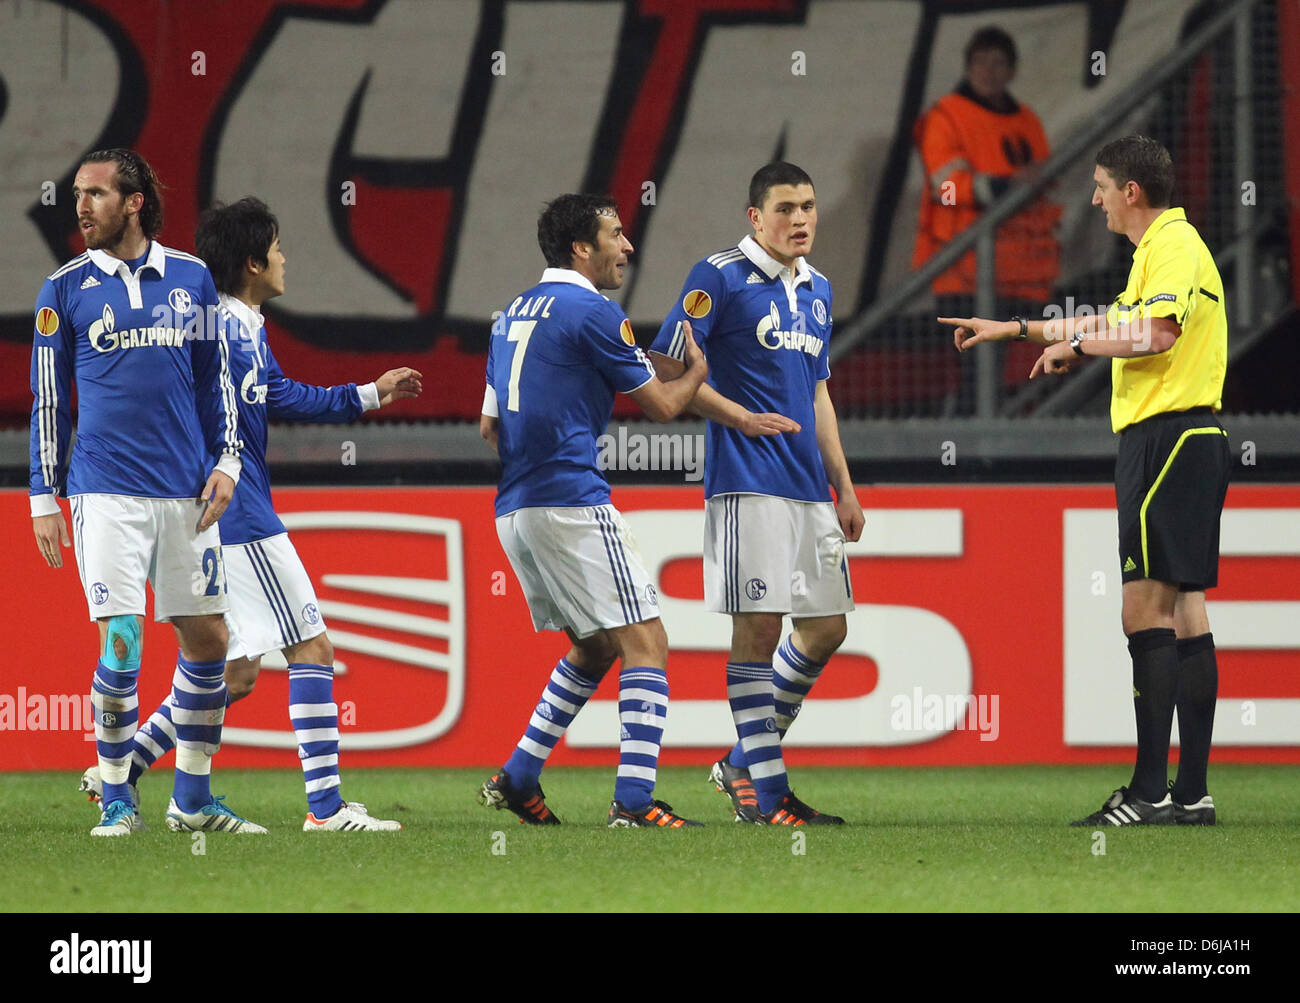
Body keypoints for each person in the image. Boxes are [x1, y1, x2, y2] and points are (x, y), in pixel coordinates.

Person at [79, 197, 423, 831]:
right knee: (311, 646)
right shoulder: (229, 330)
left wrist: (370, 393)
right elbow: (223, 415)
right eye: (279, 247)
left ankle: (121, 768)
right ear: (252, 263)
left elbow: (281, 395)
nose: (286, 258)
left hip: (218, 513)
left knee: (233, 672)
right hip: (240, 518)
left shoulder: (238, 327)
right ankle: (325, 810)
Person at [941, 135, 1229, 826]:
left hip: (1167, 436)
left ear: (1132, 191)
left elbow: (1155, 333)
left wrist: (1077, 344)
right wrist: (1017, 328)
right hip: (1186, 438)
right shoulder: (1160, 251)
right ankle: (1189, 792)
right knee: (1185, 611)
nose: (1094, 198)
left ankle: (1149, 791)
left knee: (1142, 611)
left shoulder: (1173, 247)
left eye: (1101, 186)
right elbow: (1112, 323)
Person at [29, 148, 260, 836]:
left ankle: (191, 798)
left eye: (96, 193)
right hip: (105, 494)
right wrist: (45, 495)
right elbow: (49, 401)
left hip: (187, 494)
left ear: (134, 202)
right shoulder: (62, 289)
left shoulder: (191, 278)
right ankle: (118, 795)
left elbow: (213, 380)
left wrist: (228, 461)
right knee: (123, 640)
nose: (81, 206)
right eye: (77, 194)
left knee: (211, 641)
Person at [478, 193, 710, 828]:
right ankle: (634, 804)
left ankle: (519, 776)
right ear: (582, 248)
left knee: (595, 645)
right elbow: (663, 407)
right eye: (615, 234)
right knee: (648, 642)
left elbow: (489, 425)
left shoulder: (509, 315)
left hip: (515, 508)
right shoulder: (594, 311)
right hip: (570, 500)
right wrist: (696, 371)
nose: (627, 247)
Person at [649, 162, 865, 826]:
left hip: (808, 487)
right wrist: (738, 416)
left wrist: (845, 486)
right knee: (760, 629)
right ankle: (771, 798)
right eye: (784, 208)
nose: (800, 219)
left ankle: (744, 758)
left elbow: (819, 391)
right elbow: (664, 366)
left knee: (827, 626)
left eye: (808, 205)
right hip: (747, 481)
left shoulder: (819, 289)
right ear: (755, 217)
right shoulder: (719, 276)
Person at [913, 25, 1061, 412]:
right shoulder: (945, 115)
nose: (989, 71)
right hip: (964, 269)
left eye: (998, 63)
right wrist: (1006, 185)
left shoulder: (1026, 118)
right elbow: (943, 189)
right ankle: (965, 458)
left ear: (1012, 70)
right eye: (980, 62)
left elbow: (1046, 181)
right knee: (975, 375)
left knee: (1012, 375)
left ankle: (984, 455)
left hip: (1023, 272)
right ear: (967, 66)